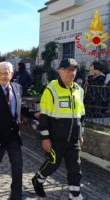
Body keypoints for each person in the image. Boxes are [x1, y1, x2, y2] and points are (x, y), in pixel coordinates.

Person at [0, 61, 39, 200]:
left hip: (14, 137)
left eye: (6, 73)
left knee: (18, 168)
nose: (3, 76)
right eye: (0, 73)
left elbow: (21, 107)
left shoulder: (17, 87)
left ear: (11, 74)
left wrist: (33, 114)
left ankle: (16, 195)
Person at [31, 58, 85, 199]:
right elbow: (44, 117)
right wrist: (45, 138)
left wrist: (80, 135)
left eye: (73, 70)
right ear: (60, 71)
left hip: (73, 139)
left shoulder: (79, 90)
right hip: (56, 139)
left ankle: (75, 194)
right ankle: (38, 179)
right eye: (67, 70)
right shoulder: (51, 89)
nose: (70, 73)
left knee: (75, 168)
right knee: (52, 164)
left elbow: (81, 116)